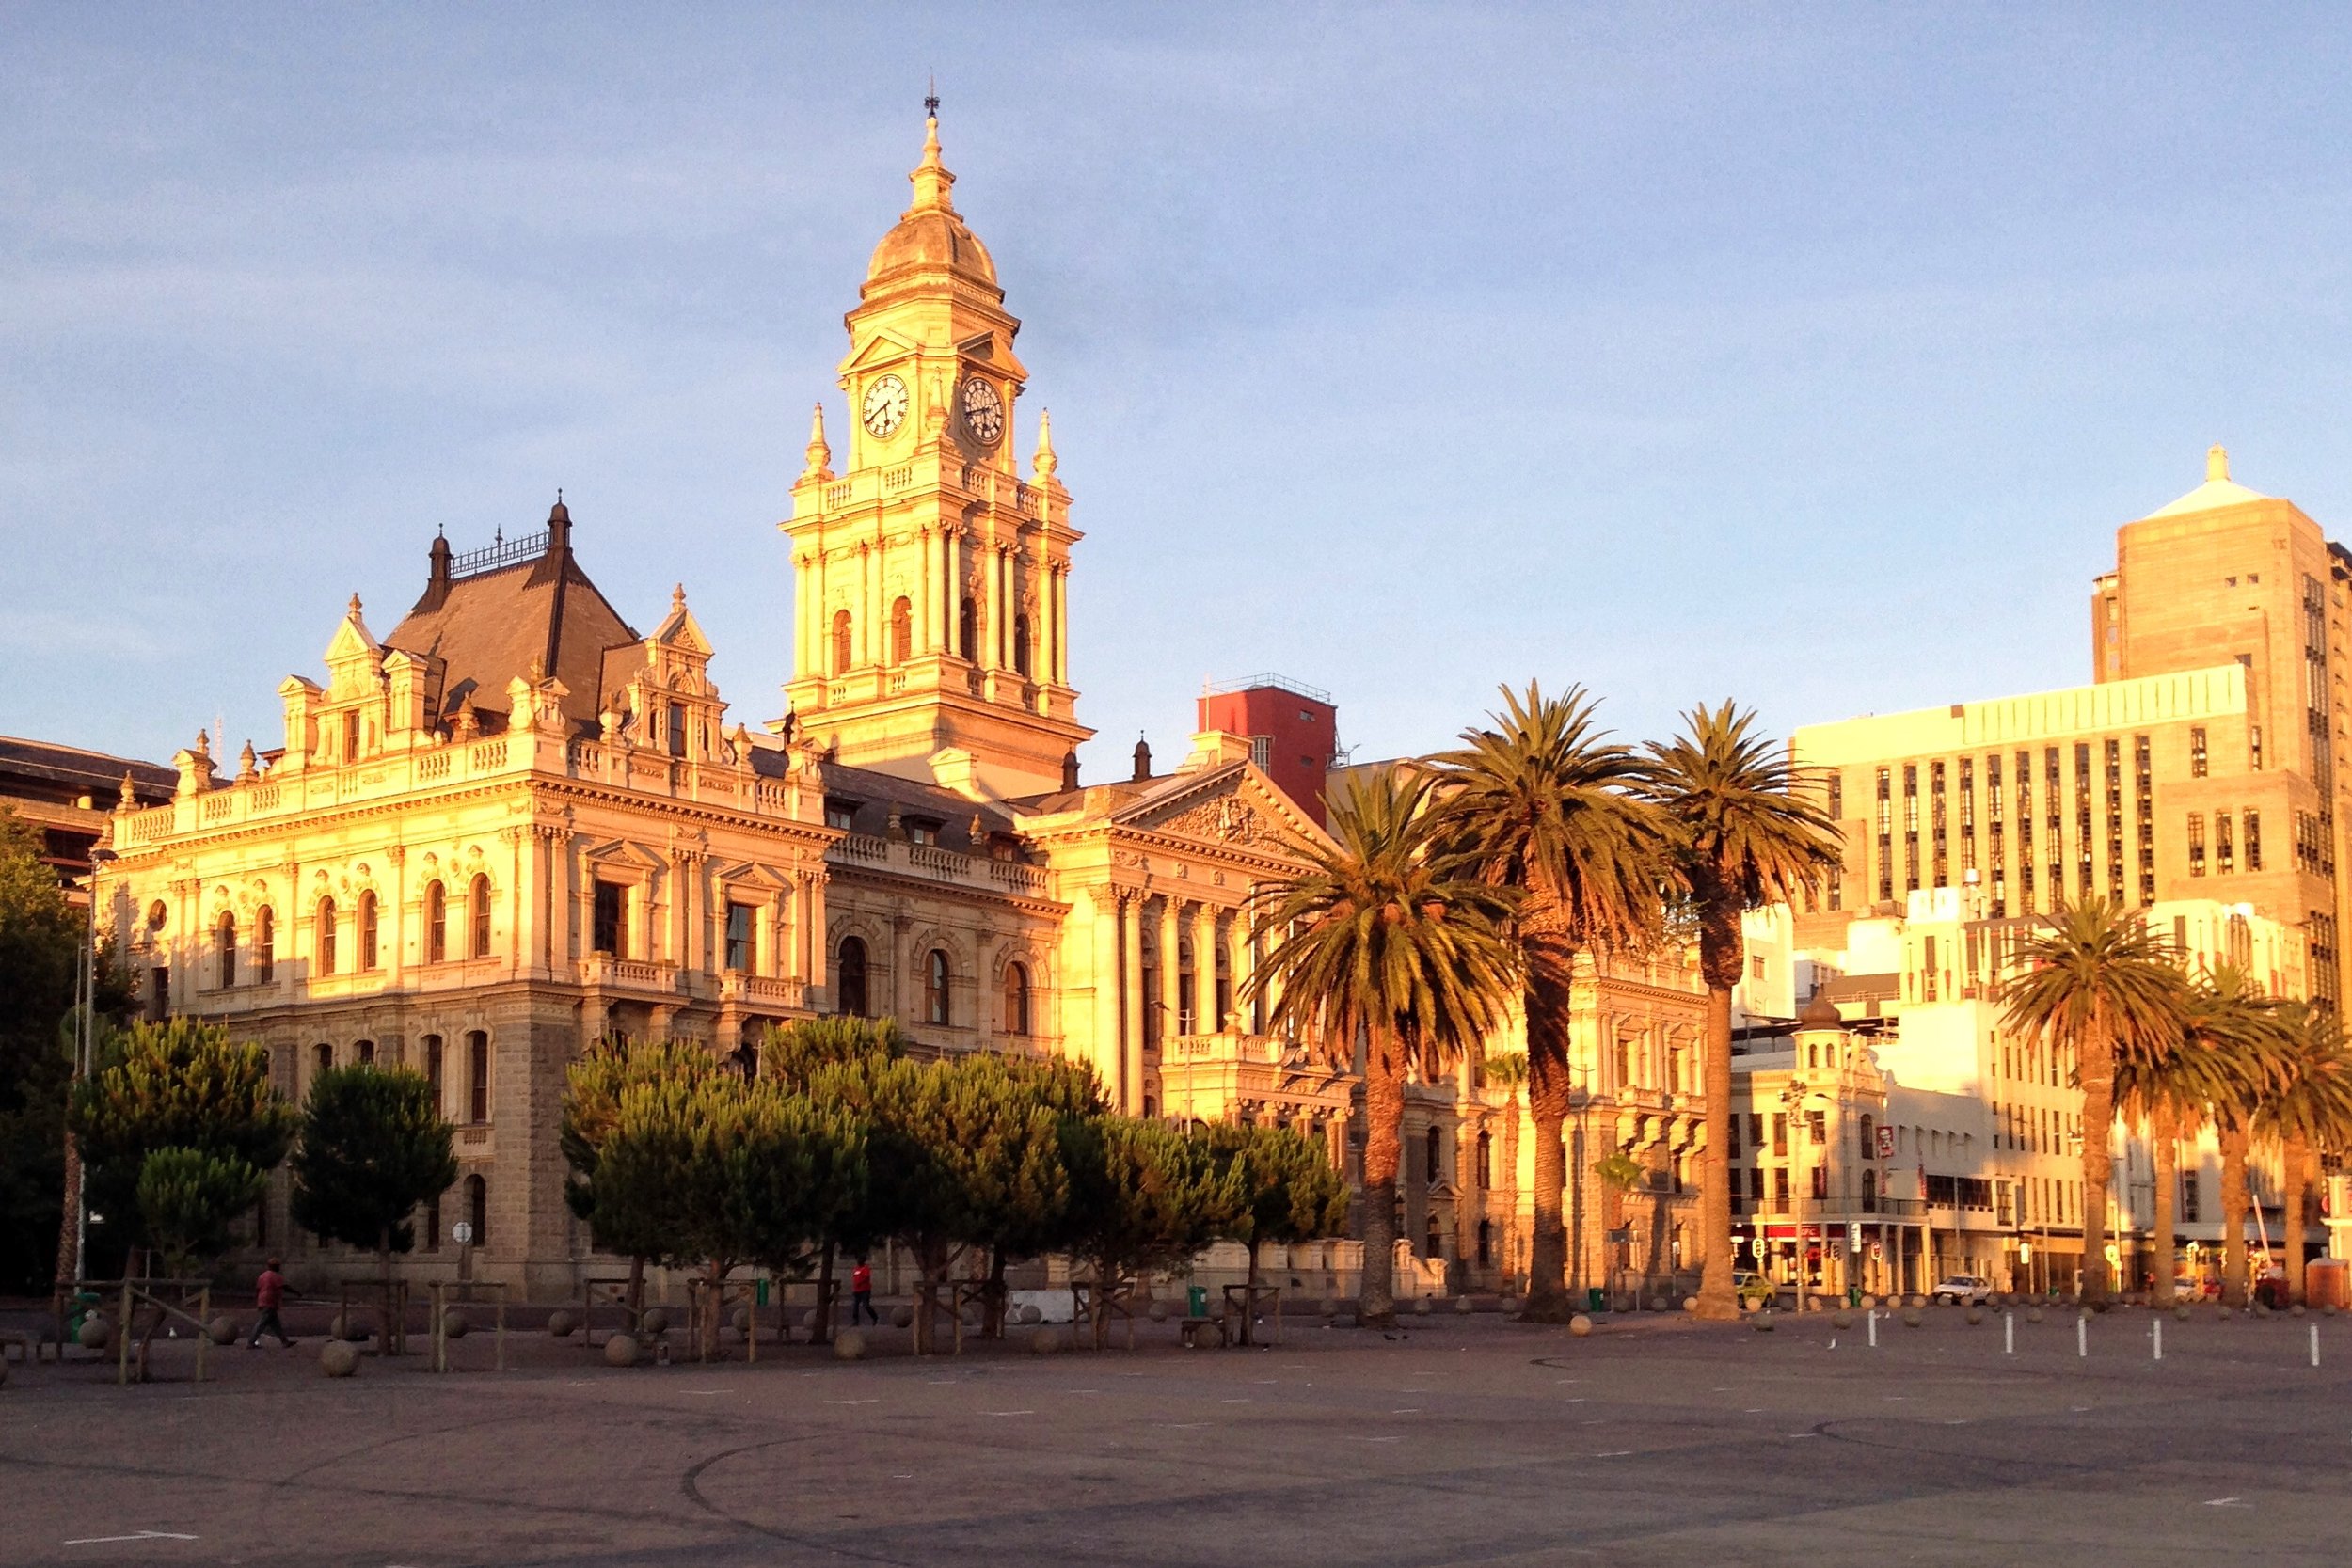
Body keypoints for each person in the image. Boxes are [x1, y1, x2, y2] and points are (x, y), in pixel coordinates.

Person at [248, 1258, 294, 1348]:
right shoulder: (276, 1276)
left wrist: (257, 1299)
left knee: (276, 1325)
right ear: (276, 1267)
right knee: (261, 1324)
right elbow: (285, 1287)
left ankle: (285, 1342)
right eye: (278, 1266)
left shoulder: (262, 1276)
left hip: (263, 1301)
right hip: (269, 1302)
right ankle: (251, 1342)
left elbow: (257, 1289)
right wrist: (296, 1293)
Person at [850, 1258, 877, 1325]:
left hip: (865, 1290)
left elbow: (866, 1277)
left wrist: (860, 1282)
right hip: (856, 1290)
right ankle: (855, 1321)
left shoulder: (865, 1268)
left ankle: (874, 1317)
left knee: (866, 1305)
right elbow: (855, 1277)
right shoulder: (856, 1268)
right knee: (855, 1305)